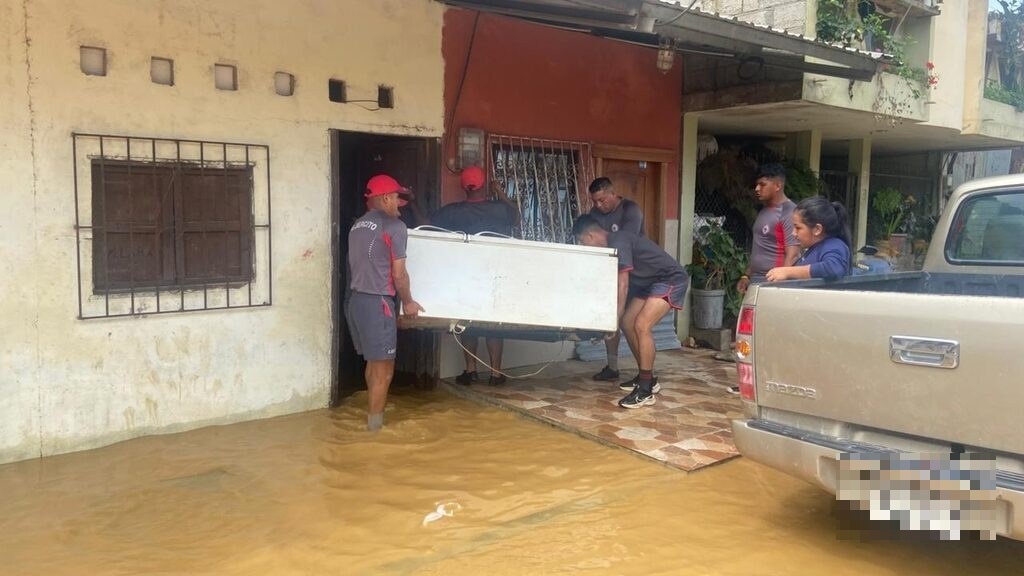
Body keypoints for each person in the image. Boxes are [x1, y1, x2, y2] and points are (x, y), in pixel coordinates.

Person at [572, 214, 688, 410]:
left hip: (669, 279)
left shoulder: (618, 241)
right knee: (628, 322)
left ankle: (645, 390)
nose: (585, 247)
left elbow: (623, 284)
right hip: (649, 284)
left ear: (590, 236)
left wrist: (612, 321)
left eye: (583, 242)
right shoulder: (611, 246)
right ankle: (648, 377)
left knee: (642, 325)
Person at [347, 174, 424, 431]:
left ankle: (372, 419)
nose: (399, 204)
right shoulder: (394, 228)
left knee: (373, 364)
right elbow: (399, 274)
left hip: (356, 302)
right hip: (378, 303)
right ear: (385, 198)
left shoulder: (357, 225)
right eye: (397, 198)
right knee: (384, 370)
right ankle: (374, 432)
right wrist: (409, 303)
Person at [432, 165, 520, 386]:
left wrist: (412, 204)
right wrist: (500, 192)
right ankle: (495, 373)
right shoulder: (499, 210)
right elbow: (517, 218)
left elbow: (428, 226)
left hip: (465, 277)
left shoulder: (453, 212)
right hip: (493, 278)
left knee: (467, 323)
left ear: (464, 187)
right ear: (484, 186)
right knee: (493, 326)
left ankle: (470, 370)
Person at [586, 177, 645, 383]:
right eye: (595, 201)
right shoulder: (594, 214)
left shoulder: (631, 210)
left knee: (631, 323)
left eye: (602, 200)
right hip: (606, 273)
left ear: (613, 193)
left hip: (632, 273)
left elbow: (624, 243)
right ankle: (612, 367)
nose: (598, 205)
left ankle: (644, 372)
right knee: (611, 321)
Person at [736, 163, 801, 294]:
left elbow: (792, 255)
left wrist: (781, 288)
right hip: (756, 280)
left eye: (762, 184)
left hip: (773, 284)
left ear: (778, 185)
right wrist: (746, 276)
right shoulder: (764, 211)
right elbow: (760, 248)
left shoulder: (789, 212)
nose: (757, 188)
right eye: (756, 184)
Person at [766, 196, 852, 282]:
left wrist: (788, 271)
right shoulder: (814, 248)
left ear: (817, 229)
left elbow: (833, 269)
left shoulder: (834, 245)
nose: (793, 233)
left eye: (798, 228)